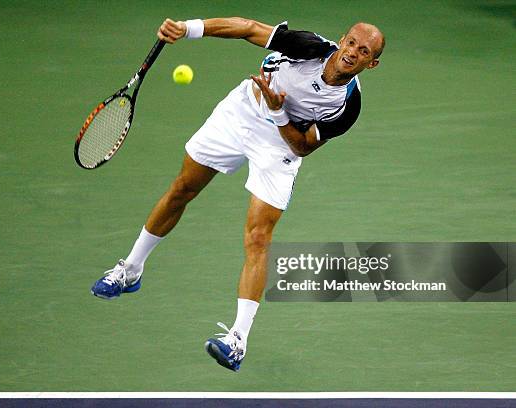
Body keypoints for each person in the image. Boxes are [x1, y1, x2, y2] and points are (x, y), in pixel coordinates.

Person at [91, 17, 385, 372]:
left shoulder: (347, 106)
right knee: (183, 189)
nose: (352, 52)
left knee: (259, 236)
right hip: (242, 113)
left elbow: (303, 147)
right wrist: (189, 29)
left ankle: (237, 340)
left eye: (364, 51)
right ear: (342, 40)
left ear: (372, 63)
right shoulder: (307, 47)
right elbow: (247, 29)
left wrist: (278, 112)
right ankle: (131, 269)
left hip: (282, 143)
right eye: (351, 42)